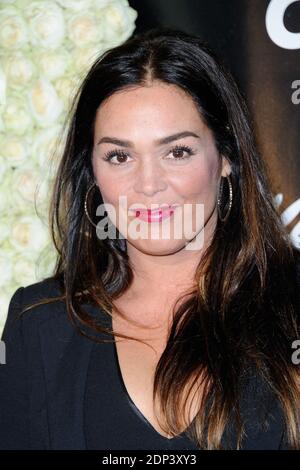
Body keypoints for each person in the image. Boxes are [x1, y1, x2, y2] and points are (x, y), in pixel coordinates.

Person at [0, 27, 300, 451]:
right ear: (93, 173)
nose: (148, 184)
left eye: (177, 152)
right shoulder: (39, 324)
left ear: (226, 157)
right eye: (119, 156)